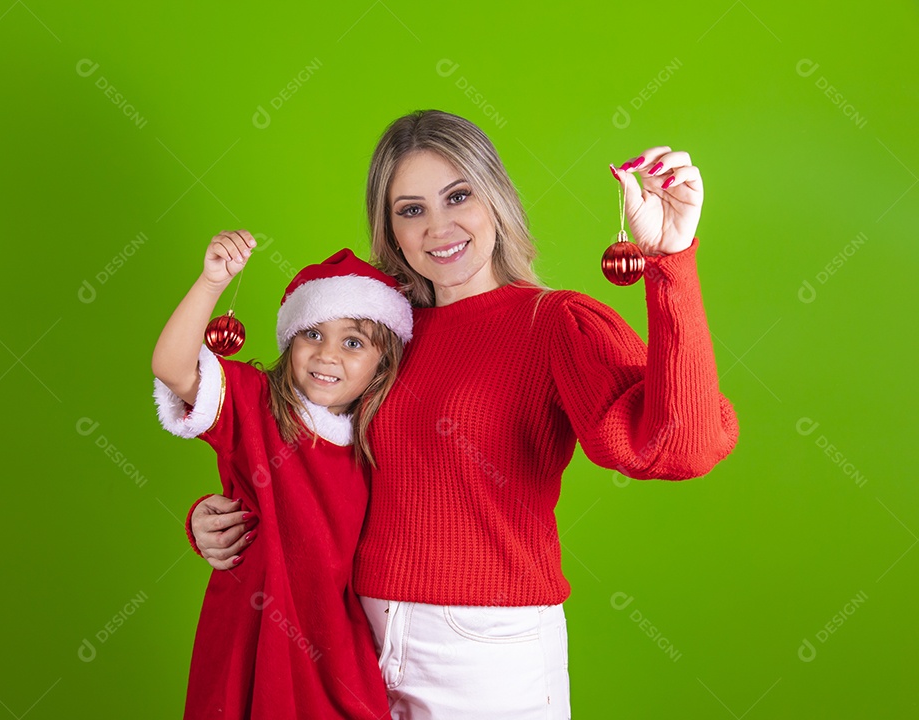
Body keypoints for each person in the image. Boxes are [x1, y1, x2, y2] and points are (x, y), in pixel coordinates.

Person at [186, 111, 740, 719]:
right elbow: (293, 447)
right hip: (352, 637)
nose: (438, 227)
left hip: (486, 652)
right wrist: (223, 516)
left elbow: (676, 448)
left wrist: (671, 262)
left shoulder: (553, 323)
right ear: (390, 227)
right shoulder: (376, 334)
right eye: (411, 209)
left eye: (458, 196)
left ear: (495, 198)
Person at [151, 232, 413, 719]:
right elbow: (172, 366)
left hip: (335, 648)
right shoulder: (255, 403)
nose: (326, 354)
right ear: (290, 340)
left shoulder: (381, 442)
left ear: (382, 364)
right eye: (312, 333)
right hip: (250, 630)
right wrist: (212, 284)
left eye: (353, 342)